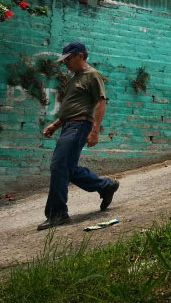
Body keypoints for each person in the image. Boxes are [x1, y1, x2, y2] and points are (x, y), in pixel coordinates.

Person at [37, 41, 120, 231]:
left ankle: (57, 214)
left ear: (80, 56)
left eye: (68, 59)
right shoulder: (75, 78)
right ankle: (106, 186)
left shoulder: (92, 75)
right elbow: (73, 106)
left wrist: (95, 131)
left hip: (80, 126)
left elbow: (101, 103)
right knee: (67, 168)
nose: (65, 63)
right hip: (69, 126)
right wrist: (56, 124)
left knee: (59, 165)